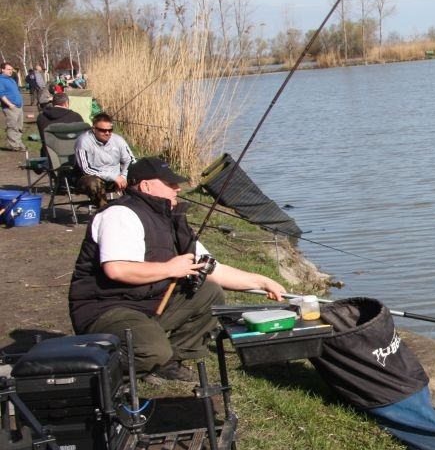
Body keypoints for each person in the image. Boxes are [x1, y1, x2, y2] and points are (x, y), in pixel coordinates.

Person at [68, 156, 286, 383]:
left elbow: (213, 270)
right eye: (170, 184)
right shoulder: (120, 215)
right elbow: (117, 270)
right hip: (107, 308)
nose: (178, 188)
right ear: (146, 185)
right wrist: (170, 268)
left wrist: (263, 282)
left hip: (148, 302)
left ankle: (166, 362)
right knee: (153, 351)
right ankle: (95, 370)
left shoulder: (169, 218)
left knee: (210, 293)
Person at [74, 112, 135, 209]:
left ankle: (135, 208)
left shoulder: (118, 140)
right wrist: (113, 177)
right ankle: (103, 211)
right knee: (93, 183)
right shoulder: (83, 142)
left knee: (140, 174)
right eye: (103, 130)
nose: (107, 133)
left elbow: (129, 160)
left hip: (117, 176)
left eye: (110, 130)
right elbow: (87, 169)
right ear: (94, 129)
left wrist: (123, 176)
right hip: (91, 177)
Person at [0, 62, 27, 154]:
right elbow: (1, 94)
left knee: (19, 127)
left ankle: (19, 143)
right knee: (12, 127)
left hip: (19, 106)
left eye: (11, 69)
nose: (10, 71)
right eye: (8, 69)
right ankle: (15, 146)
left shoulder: (11, 79)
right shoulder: (1, 80)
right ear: (2, 69)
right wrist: (9, 104)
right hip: (10, 107)